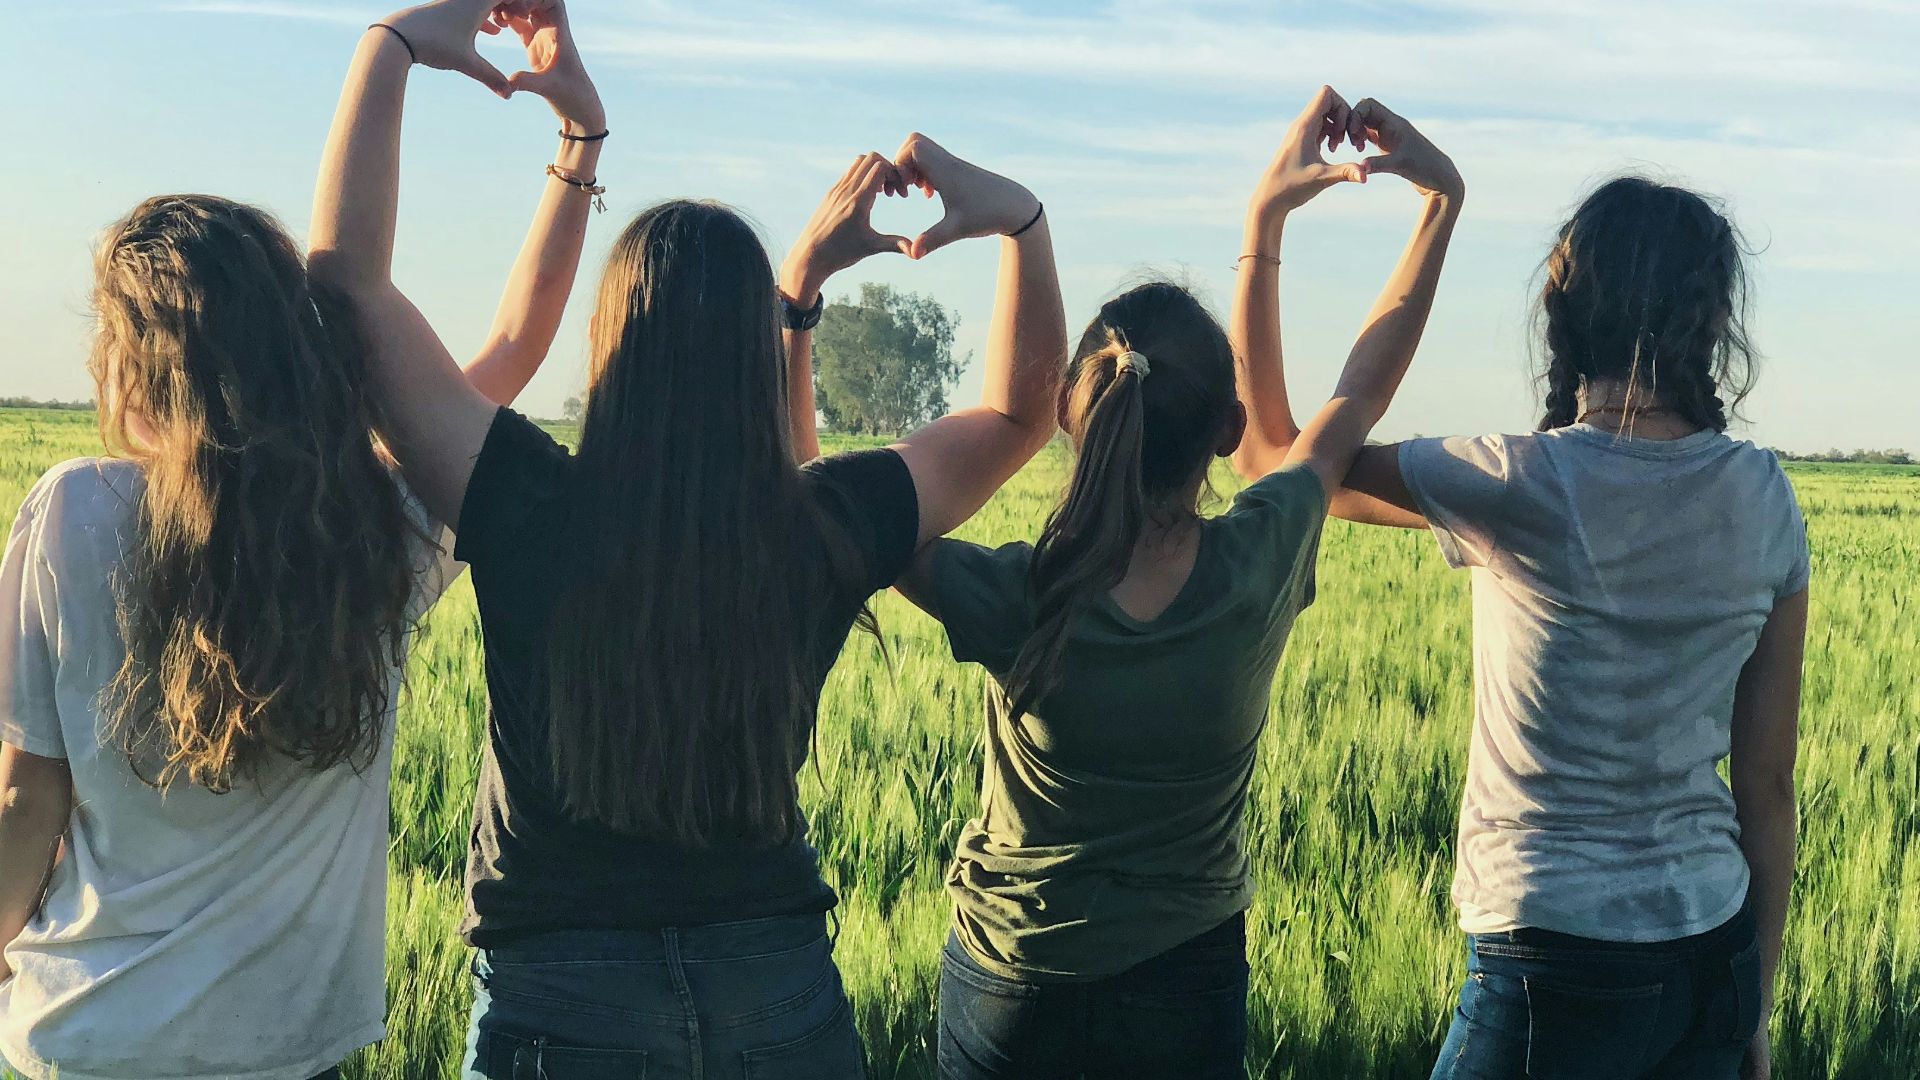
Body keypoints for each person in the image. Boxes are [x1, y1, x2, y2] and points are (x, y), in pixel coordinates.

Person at [308, 2, 1067, 1076]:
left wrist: (388, 46)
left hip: (558, 1005)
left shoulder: (523, 500)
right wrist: (1020, 223)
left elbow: (346, 288)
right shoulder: (826, 524)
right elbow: (1019, 415)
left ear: (610, 343)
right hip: (780, 1000)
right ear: (755, 356)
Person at [0, 18, 598, 1070]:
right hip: (287, 1048)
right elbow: (514, 347)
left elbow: (25, 796)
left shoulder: (71, 512)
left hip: (89, 1036)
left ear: (131, 363)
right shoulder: (372, 529)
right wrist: (577, 142)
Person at [872, 88, 1464, 1080]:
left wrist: (802, 304)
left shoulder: (1019, 592)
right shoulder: (1261, 557)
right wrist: (1422, 204)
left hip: (1014, 979)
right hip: (1185, 980)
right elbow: (1359, 390)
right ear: (1227, 433)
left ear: (1074, 418)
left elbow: (858, 515)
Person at [1249, 173, 1804, 1079]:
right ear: (1711, 320)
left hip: (1554, 960)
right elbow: (1769, 784)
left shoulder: (1516, 480)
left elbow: (1275, 459)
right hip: (1715, 958)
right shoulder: (1765, 494)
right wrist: (1756, 1008)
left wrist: (1267, 222)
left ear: (1567, 310)